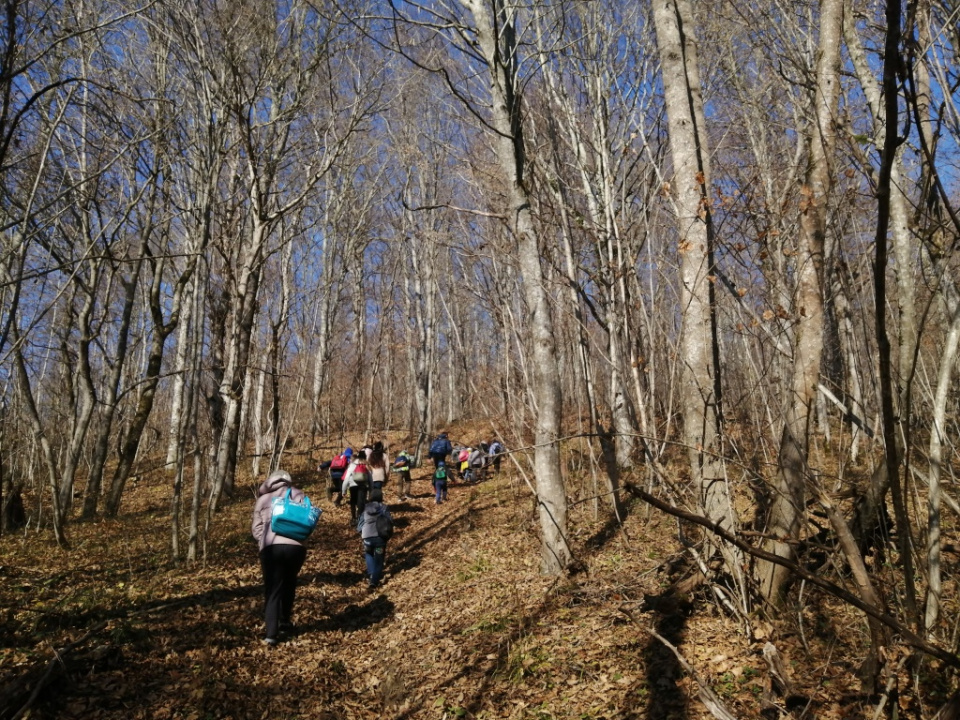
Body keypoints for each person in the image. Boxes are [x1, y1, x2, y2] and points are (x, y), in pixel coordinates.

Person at [251, 469, 308, 646]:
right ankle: (285, 621)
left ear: (270, 482)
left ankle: (271, 635)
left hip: (271, 548)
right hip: (295, 547)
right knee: (289, 582)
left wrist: (263, 540)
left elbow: (256, 528)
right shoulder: (298, 494)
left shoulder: (263, 500)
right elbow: (307, 520)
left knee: (273, 589)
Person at [357, 488, 393, 590]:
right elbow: (390, 521)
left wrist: (361, 532)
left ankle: (371, 573)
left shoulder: (365, 508)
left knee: (368, 553)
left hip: (367, 537)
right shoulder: (384, 507)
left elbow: (360, 524)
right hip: (380, 537)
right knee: (379, 560)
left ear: (370, 497)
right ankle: (374, 581)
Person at [341, 450, 371, 525]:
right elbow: (370, 479)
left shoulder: (353, 464)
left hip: (353, 485)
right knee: (361, 502)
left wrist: (344, 490)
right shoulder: (366, 464)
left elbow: (346, 478)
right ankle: (360, 519)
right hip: (363, 486)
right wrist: (371, 490)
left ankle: (353, 518)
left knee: (353, 502)